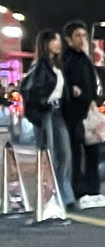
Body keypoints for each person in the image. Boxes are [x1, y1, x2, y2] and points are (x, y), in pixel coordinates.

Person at [20, 30, 77, 216]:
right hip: (45, 112)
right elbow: (28, 89)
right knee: (48, 154)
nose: (58, 44)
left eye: (59, 41)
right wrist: (41, 104)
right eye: (55, 41)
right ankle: (49, 197)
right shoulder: (40, 66)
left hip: (57, 112)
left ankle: (65, 195)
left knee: (65, 154)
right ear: (46, 44)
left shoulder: (56, 65)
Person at [61, 22, 105, 210]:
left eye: (84, 36)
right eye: (77, 36)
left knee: (93, 151)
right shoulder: (66, 60)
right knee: (76, 154)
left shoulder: (84, 58)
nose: (82, 39)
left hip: (88, 113)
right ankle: (79, 191)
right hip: (73, 115)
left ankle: (93, 189)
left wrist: (93, 100)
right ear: (68, 39)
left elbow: (91, 84)